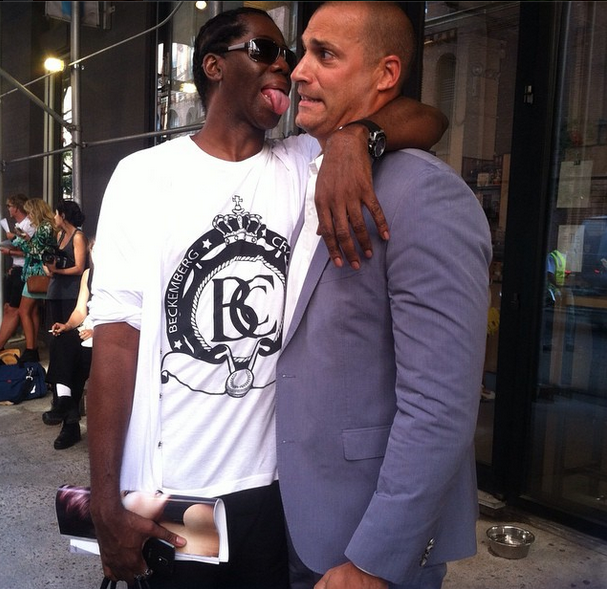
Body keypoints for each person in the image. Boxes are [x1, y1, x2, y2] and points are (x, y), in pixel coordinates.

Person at [87, 6, 446, 588]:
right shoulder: (144, 176)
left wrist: (358, 137)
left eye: (290, 54)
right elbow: (115, 343)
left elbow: (429, 118)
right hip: (175, 492)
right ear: (213, 66)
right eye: (264, 51)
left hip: (279, 494)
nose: (285, 66)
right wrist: (105, 500)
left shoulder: (305, 162)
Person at [275, 3, 492, 589]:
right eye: (304, 50)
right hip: (298, 516)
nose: (299, 71)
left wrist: (374, 559)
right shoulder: (312, 169)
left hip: (365, 545)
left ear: (386, 74)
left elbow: (440, 405)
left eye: (325, 55)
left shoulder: (426, 196)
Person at [41, 200, 89, 449]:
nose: (54, 217)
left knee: (68, 348)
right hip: (56, 293)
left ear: (63, 215)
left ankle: (66, 411)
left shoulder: (78, 237)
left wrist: (57, 271)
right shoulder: (59, 236)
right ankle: (65, 407)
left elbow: (80, 268)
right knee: (57, 342)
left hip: (72, 295)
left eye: (57, 214)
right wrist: (49, 267)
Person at [11, 198, 57, 363]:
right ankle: (32, 347)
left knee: (24, 311)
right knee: (32, 311)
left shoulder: (44, 227)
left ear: (36, 211)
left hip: (37, 273)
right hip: (38, 273)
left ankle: (31, 349)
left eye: (30, 212)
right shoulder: (47, 226)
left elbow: (35, 250)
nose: (29, 216)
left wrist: (20, 240)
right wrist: (26, 238)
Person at [0, 194, 35, 351]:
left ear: (16, 207)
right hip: (17, 268)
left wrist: (10, 251)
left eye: (9, 206)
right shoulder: (18, 224)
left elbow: (31, 250)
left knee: (17, 310)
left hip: (25, 270)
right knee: (9, 307)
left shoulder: (29, 225)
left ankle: (29, 347)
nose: (8, 209)